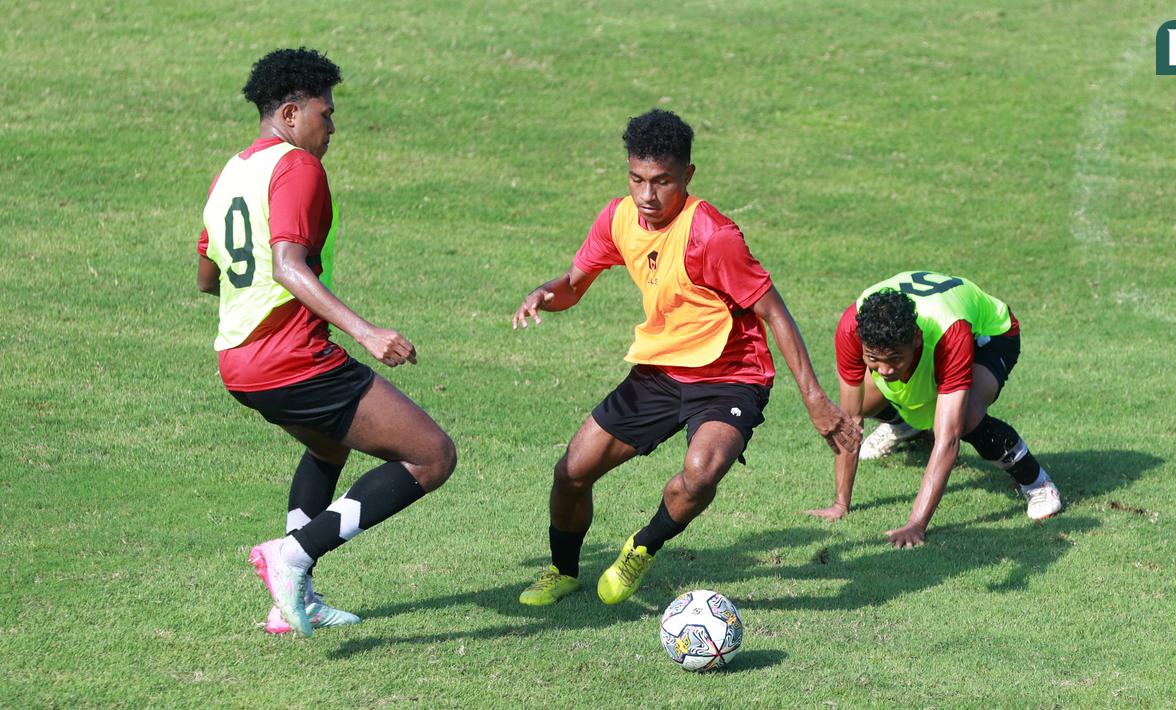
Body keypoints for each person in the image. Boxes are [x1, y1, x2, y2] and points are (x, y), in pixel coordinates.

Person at [511, 109, 861, 606]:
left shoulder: (712, 237)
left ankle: (642, 546)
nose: (647, 196)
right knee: (571, 471)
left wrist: (816, 400)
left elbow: (775, 312)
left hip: (731, 376)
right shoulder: (618, 217)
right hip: (659, 372)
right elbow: (573, 284)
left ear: (687, 177)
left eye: (662, 182)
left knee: (700, 472)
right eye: (637, 179)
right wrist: (543, 293)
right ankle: (563, 571)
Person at [197, 48, 456, 636]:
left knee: (327, 449)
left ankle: (294, 602)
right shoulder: (297, 167)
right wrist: (365, 331)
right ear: (291, 114)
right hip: (290, 358)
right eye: (326, 113)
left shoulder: (230, 174)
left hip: (238, 362)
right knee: (431, 456)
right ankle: (290, 557)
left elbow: (208, 276)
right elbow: (288, 265)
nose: (332, 127)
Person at [807, 271, 1062, 547]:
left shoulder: (950, 333)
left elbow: (948, 439)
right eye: (873, 360)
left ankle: (1036, 482)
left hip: (989, 334)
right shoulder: (850, 328)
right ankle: (905, 425)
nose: (885, 370)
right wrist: (840, 503)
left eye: (894, 359)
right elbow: (850, 421)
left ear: (915, 338)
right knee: (865, 402)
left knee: (965, 418)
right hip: (933, 335)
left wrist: (915, 524)